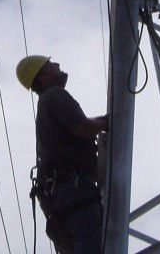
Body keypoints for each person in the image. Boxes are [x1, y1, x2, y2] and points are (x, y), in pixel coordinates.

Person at [16, 55, 108, 254]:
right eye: (50, 65)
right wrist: (107, 123)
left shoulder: (45, 104)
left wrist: (100, 122)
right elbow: (82, 128)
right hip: (75, 192)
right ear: (43, 78)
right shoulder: (55, 96)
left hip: (62, 198)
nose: (57, 65)